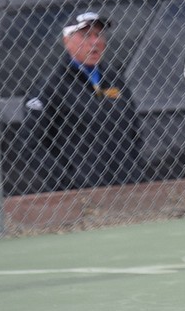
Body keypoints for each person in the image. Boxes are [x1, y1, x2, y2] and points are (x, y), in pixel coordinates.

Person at [24, 11, 143, 190]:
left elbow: (134, 129)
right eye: (86, 35)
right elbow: (32, 144)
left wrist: (130, 169)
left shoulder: (114, 79)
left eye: (99, 35)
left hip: (124, 188)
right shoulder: (51, 86)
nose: (95, 42)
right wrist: (67, 183)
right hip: (80, 193)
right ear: (67, 41)